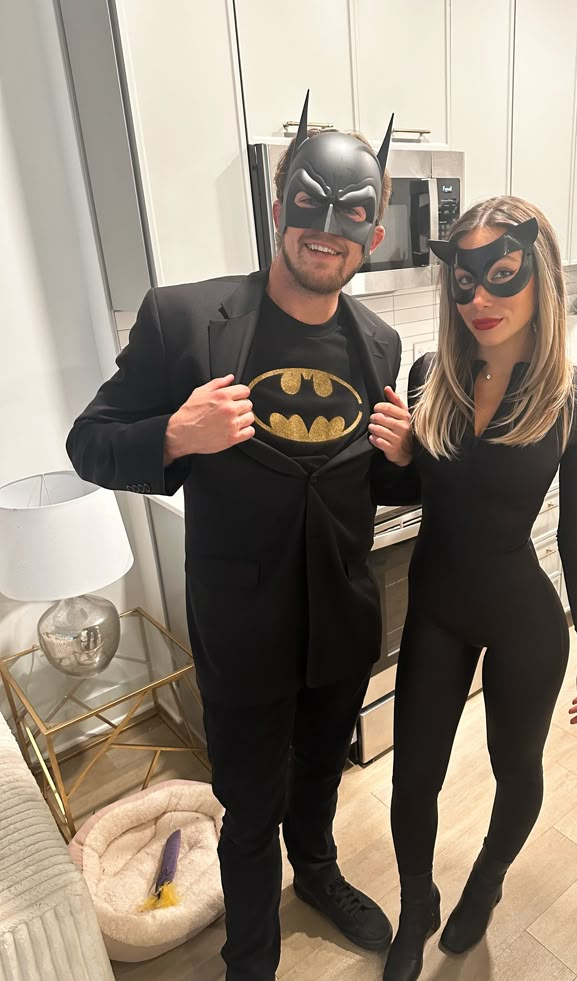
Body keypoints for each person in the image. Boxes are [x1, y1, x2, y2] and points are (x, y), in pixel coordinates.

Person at [66, 94, 416, 981]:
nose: (327, 229)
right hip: (243, 629)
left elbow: (376, 481)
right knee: (247, 807)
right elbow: (89, 442)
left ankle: (323, 871)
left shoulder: (380, 340)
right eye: (311, 203)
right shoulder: (185, 319)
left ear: (372, 230)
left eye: (353, 213)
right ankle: (250, 957)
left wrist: (412, 459)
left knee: (320, 778)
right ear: (278, 205)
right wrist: (176, 435)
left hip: (341, 617)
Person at [382, 195, 577, 981]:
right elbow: (429, 493)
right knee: (412, 776)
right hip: (437, 611)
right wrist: (402, 455)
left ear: (539, 274)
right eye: (465, 282)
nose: (480, 299)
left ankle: (486, 879)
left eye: (502, 276)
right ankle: (417, 904)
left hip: (523, 617)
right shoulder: (430, 375)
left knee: (517, 769)